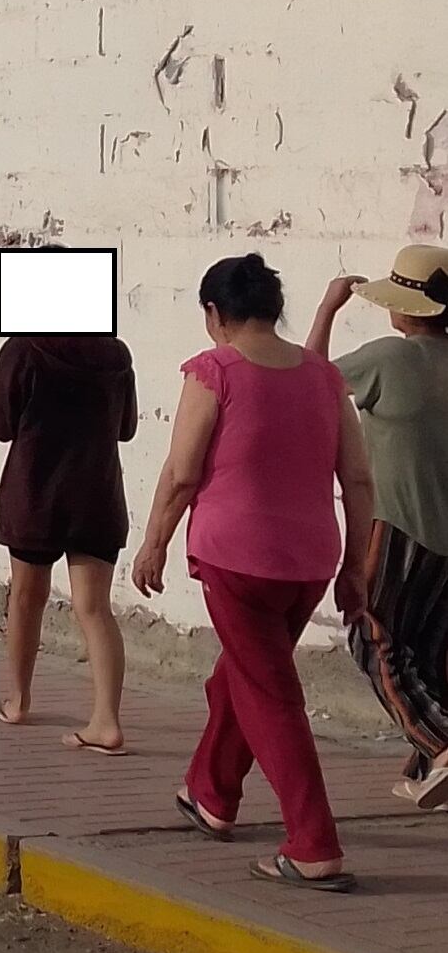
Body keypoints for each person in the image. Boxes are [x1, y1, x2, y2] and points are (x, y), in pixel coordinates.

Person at [131, 253, 375, 893]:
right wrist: (357, 566)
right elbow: (356, 477)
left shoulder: (214, 371)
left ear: (215, 314)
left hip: (235, 558)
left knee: (271, 695)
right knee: (240, 676)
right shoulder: (324, 379)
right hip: (311, 562)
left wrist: (153, 541)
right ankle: (211, 792)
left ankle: (313, 843)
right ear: (273, 309)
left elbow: (184, 472)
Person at [306, 245, 448, 809]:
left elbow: (307, 381)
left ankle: (438, 744)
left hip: (399, 523)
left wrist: (327, 309)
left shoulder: (390, 359)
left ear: (404, 307)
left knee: (375, 639)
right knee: (431, 651)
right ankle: (422, 768)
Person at [0, 315, 138, 754]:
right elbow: (126, 428)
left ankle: (18, 700)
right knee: (94, 609)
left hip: (35, 495)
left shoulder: (24, 350)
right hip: (98, 497)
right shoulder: (115, 353)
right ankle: (106, 721)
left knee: (27, 598)